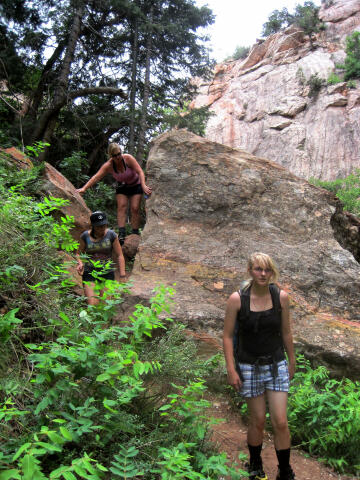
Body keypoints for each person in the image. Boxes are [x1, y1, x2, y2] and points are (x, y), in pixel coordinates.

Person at [223, 252, 296, 480]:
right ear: (250, 271)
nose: (262, 274)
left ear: (272, 272)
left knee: (280, 421)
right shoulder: (237, 299)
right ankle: (255, 464)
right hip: (248, 365)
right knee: (258, 420)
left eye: (266, 270)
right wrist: (231, 369)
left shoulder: (280, 297)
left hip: (275, 363)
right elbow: (226, 336)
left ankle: (285, 470)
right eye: (258, 269)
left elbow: (286, 331)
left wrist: (291, 360)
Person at [76, 143, 152, 244]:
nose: (117, 157)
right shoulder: (108, 166)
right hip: (122, 187)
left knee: (134, 208)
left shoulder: (128, 158)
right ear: (110, 156)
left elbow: (140, 171)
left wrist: (143, 185)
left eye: (119, 154)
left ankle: (135, 233)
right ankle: (121, 234)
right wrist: (84, 188)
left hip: (136, 185)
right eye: (114, 155)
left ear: (121, 152)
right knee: (121, 206)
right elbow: (96, 177)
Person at [76, 211, 126, 305]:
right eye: (99, 226)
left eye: (104, 225)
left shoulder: (112, 235)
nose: (102, 228)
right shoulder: (85, 236)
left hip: (107, 271)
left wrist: (122, 275)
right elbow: (78, 253)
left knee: (105, 304)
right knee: (92, 304)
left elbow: (120, 255)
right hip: (90, 272)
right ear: (93, 226)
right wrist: (80, 263)